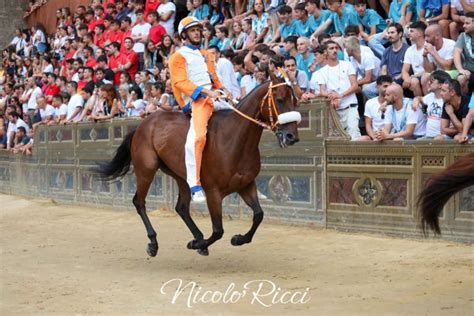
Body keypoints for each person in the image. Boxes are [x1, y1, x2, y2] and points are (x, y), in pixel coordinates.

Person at [168, 16, 226, 202]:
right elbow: (180, 83)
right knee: (197, 139)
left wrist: (224, 91)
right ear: (184, 35)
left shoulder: (206, 54)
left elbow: (214, 78)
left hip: (214, 97)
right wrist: (206, 92)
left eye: (198, 30)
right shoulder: (177, 56)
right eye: (192, 30)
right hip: (199, 101)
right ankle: (195, 186)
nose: (197, 33)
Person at [319, 40, 361, 140]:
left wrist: (340, 95)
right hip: (334, 110)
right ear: (325, 52)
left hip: (350, 107)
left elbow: (355, 85)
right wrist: (332, 96)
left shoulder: (347, 65)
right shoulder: (321, 71)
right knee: (339, 140)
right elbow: (322, 91)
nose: (335, 50)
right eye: (331, 48)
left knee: (353, 135)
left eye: (336, 48)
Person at [360, 75, 393, 141]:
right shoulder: (370, 103)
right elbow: (368, 124)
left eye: (390, 86)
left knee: (398, 139)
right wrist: (374, 137)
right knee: (363, 139)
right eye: (385, 86)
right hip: (375, 137)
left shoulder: (394, 101)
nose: (387, 89)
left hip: (391, 136)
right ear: (378, 87)